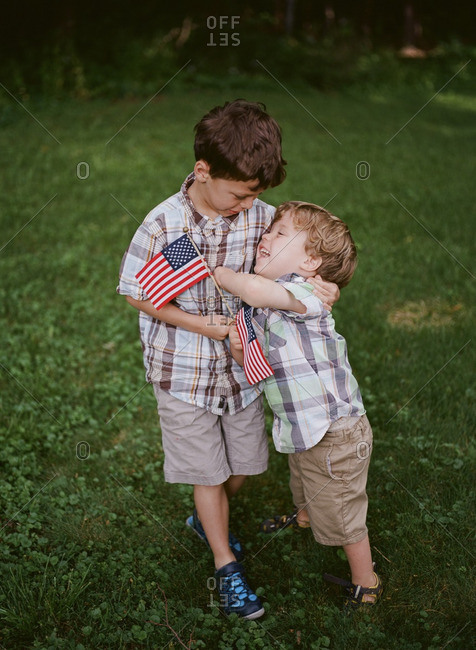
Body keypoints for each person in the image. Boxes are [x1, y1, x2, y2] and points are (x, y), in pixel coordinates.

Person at [117, 101, 338, 619]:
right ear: (203, 172)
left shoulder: (261, 218)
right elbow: (136, 293)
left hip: (243, 369)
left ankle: (205, 517)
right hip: (183, 370)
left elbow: (291, 266)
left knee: (243, 465)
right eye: (238, 193)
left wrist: (318, 282)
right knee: (208, 472)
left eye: (255, 196)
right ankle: (225, 564)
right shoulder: (165, 224)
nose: (247, 205)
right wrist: (209, 328)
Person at [214, 200, 383, 609]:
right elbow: (259, 358)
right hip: (305, 427)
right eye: (268, 230)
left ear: (310, 261)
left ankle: (367, 583)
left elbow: (254, 288)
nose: (265, 238)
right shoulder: (274, 299)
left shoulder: (306, 293)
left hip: (336, 431)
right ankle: (304, 516)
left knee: (343, 513)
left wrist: (220, 273)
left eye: (278, 232)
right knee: (304, 480)